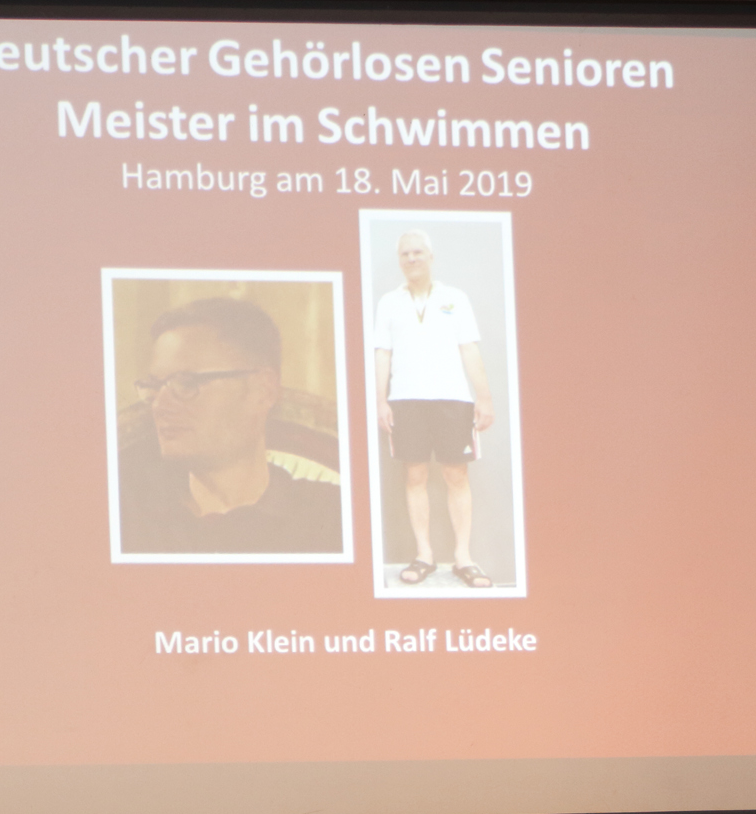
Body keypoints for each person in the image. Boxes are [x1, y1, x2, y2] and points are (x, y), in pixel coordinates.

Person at [117, 295, 342, 555]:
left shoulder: (334, 517)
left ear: (263, 390)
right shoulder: (124, 514)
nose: (159, 405)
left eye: (186, 383)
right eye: (154, 386)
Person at [372, 229, 495, 587]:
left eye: (417, 252)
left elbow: (469, 348)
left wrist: (484, 397)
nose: (411, 258)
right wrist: (380, 401)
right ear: (400, 260)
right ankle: (424, 555)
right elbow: (383, 353)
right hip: (406, 401)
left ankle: (463, 558)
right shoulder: (388, 303)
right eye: (405, 254)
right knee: (415, 476)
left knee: (456, 476)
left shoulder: (455, 298)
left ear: (430, 256)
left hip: (452, 400)